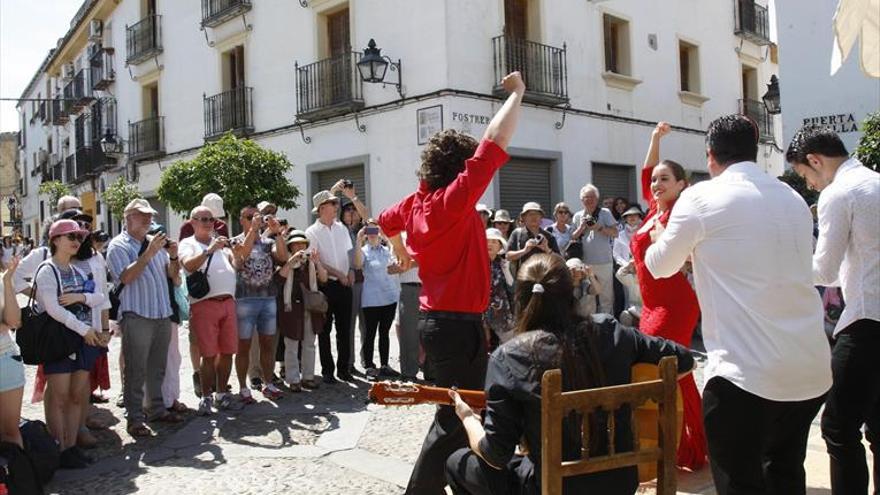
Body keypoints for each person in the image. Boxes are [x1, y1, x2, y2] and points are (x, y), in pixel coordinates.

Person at [645, 114, 832, 494]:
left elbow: (660, 266)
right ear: (756, 150)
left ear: (710, 155)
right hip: (809, 368)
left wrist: (662, 234)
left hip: (747, 375)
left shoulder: (700, 196)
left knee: (740, 484)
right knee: (786, 476)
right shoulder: (792, 196)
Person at [378, 71, 525, 495]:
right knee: (453, 417)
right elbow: (493, 144)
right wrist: (516, 94)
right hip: (454, 327)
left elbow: (385, 221)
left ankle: (461, 482)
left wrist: (400, 249)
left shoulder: (418, 203)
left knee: (461, 411)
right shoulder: (450, 204)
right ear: (459, 170)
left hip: (447, 324)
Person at [445, 254, 695, 495]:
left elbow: (496, 454)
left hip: (554, 487)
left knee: (457, 463)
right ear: (571, 292)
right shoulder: (613, 332)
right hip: (621, 481)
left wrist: (467, 418)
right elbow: (685, 360)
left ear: (519, 298)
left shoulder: (508, 357)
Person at [786, 125, 880, 495]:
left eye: (806, 175)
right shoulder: (875, 181)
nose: (810, 184)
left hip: (866, 319)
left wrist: (783, 267)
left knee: (838, 428)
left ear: (815, 160)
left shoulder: (839, 192)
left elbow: (823, 270)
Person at [627, 122, 708, 470]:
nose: (656, 184)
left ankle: (689, 444)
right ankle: (686, 443)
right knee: (677, 373)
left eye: (665, 180)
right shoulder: (653, 212)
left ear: (681, 185)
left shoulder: (679, 214)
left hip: (674, 305)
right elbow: (646, 171)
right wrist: (654, 139)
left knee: (667, 370)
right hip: (650, 305)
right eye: (655, 181)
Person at [107, 199, 185, 438]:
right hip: (137, 313)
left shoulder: (156, 243)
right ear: (128, 217)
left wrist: (172, 257)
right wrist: (148, 254)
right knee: (135, 369)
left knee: (157, 367)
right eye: (142, 216)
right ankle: (135, 418)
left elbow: (173, 277)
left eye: (149, 216)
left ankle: (157, 409)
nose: (148, 220)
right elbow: (126, 278)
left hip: (161, 312)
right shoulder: (118, 245)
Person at [36, 220, 109, 467]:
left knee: (78, 395)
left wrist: (80, 297)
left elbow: (100, 295)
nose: (77, 241)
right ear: (55, 240)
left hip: (83, 340)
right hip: (61, 341)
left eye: (79, 237)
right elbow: (53, 309)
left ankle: (71, 446)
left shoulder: (79, 269)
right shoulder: (47, 270)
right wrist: (83, 328)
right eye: (70, 237)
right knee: (60, 397)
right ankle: (61, 449)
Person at [179, 206, 240, 415]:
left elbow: (237, 264)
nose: (208, 222)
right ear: (192, 222)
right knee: (208, 353)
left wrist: (238, 249)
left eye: (211, 219)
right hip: (204, 304)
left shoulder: (222, 243)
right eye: (203, 219)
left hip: (228, 302)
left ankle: (222, 393)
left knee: (228, 351)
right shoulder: (188, 243)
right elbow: (188, 265)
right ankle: (206, 396)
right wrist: (209, 250)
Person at [230, 206, 287, 402]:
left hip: (268, 299)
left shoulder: (267, 241)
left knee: (268, 344)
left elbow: (283, 256)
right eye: (249, 217)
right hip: (245, 300)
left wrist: (278, 232)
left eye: (257, 218)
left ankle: (268, 383)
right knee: (244, 346)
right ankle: (243, 387)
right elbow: (242, 257)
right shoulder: (236, 241)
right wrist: (254, 231)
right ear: (241, 220)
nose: (254, 220)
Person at [305, 191, 355, 384]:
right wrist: (339, 274)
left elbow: (348, 253)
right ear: (321, 208)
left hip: (344, 286)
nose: (336, 207)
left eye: (335, 203)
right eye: (332, 204)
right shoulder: (311, 232)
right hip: (326, 285)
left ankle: (344, 369)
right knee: (324, 330)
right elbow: (318, 261)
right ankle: (328, 371)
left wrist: (349, 270)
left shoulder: (341, 228)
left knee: (344, 329)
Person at [275, 230, 327, 392]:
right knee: (291, 345)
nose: (300, 247)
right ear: (290, 246)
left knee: (309, 344)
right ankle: (293, 379)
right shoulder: (286, 262)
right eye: (296, 244)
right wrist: (290, 263)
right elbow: (278, 279)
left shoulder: (310, 263)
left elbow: (323, 279)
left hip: (309, 308)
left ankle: (308, 377)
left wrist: (318, 263)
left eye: (302, 244)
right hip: (290, 308)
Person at [353, 220, 401, 379]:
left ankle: (385, 365)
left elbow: (396, 260)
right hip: (372, 299)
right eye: (370, 230)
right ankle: (369, 366)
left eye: (375, 230)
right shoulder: (364, 251)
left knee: (384, 332)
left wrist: (386, 237)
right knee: (370, 333)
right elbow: (358, 264)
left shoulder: (386, 250)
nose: (373, 234)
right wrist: (359, 240)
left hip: (389, 297)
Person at [335, 181, 369, 377]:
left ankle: (367, 360)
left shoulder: (365, 230)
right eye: (347, 211)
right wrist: (336, 190)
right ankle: (349, 363)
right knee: (348, 326)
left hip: (367, 282)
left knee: (367, 325)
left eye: (353, 211)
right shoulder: (339, 229)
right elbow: (328, 206)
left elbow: (367, 215)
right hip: (350, 283)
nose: (351, 214)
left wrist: (353, 197)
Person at [571, 185, 618, 314]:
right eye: (587, 197)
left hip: (604, 261)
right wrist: (581, 227)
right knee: (588, 296)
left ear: (597, 199)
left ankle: (607, 325)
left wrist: (598, 227)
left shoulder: (605, 213)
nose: (590, 200)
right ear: (582, 200)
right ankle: (590, 326)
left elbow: (615, 233)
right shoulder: (577, 216)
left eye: (593, 197)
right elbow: (573, 237)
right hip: (585, 262)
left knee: (606, 297)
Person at [0, 256, 23, 448]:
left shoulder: (2, 281)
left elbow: (14, 321)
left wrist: (7, 281)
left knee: (10, 431)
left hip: (6, 359)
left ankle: (18, 477)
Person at [393, 232, 422, 381]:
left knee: (430, 331)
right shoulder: (400, 238)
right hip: (409, 287)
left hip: (430, 286)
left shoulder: (431, 233)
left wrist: (408, 263)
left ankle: (431, 371)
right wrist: (417, 261)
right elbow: (392, 265)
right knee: (408, 332)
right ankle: (409, 372)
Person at [506, 202, 560, 276]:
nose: (534, 217)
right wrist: (524, 250)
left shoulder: (548, 236)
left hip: (544, 279)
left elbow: (559, 261)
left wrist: (547, 249)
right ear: (523, 217)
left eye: (537, 214)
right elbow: (508, 256)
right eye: (530, 214)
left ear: (541, 218)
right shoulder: (517, 233)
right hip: (523, 279)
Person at [613, 206, 644, 317]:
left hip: (642, 268)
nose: (632, 218)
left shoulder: (644, 231)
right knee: (628, 295)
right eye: (629, 216)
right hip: (626, 270)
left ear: (639, 217)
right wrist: (627, 265)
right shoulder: (620, 235)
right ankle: (628, 317)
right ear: (625, 219)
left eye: (634, 215)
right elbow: (616, 254)